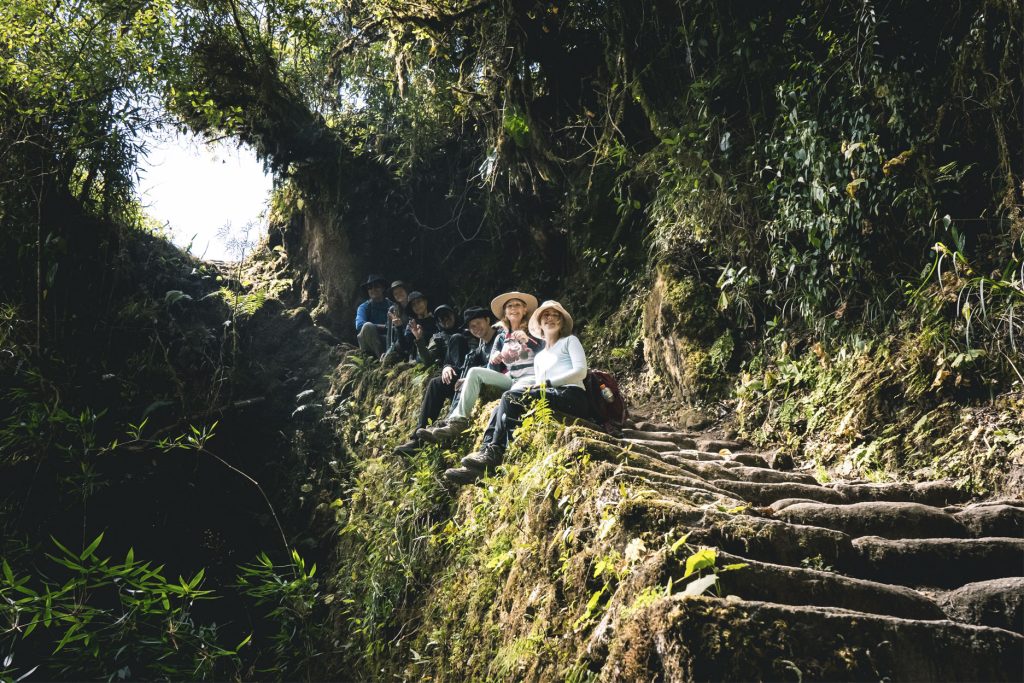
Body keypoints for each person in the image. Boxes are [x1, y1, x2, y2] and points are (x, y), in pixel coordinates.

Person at [444, 300, 592, 485]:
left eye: (556, 316)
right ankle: (483, 457)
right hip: (551, 396)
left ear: (562, 322)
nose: (551, 319)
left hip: (573, 396)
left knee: (510, 397)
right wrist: (543, 386)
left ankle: (496, 454)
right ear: (539, 323)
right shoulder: (539, 357)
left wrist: (548, 383)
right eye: (546, 316)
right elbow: (537, 386)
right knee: (499, 408)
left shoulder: (570, 341)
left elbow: (581, 372)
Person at [417, 291, 541, 443]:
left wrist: (528, 341)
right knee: (473, 371)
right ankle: (457, 421)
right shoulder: (502, 337)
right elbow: (491, 366)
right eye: (509, 306)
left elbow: (546, 350)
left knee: (508, 397)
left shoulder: (533, 329)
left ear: (525, 309)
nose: (513, 309)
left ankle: (493, 444)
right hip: (511, 378)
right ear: (505, 312)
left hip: (530, 377)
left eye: (517, 305)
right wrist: (490, 362)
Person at [394, 307, 499, 455]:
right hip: (462, 374)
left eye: (478, 323)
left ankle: (451, 421)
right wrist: (447, 366)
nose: (476, 328)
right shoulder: (441, 337)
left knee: (456, 339)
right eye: (472, 326)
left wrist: (467, 374)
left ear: (487, 321)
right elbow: (427, 360)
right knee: (436, 383)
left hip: (483, 376)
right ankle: (418, 439)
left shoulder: (494, 337)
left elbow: (491, 364)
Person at [355, 274, 392, 357]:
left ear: (382, 288)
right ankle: (382, 360)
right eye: (370, 288)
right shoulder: (364, 307)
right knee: (368, 326)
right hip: (369, 344)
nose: (373, 289)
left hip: (387, 341)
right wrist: (384, 326)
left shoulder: (391, 306)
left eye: (376, 286)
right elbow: (359, 325)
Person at [386, 281, 410, 350]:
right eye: (395, 294)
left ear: (406, 291)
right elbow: (389, 333)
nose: (399, 294)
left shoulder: (414, 305)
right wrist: (388, 350)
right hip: (400, 340)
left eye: (401, 291)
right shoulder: (392, 310)